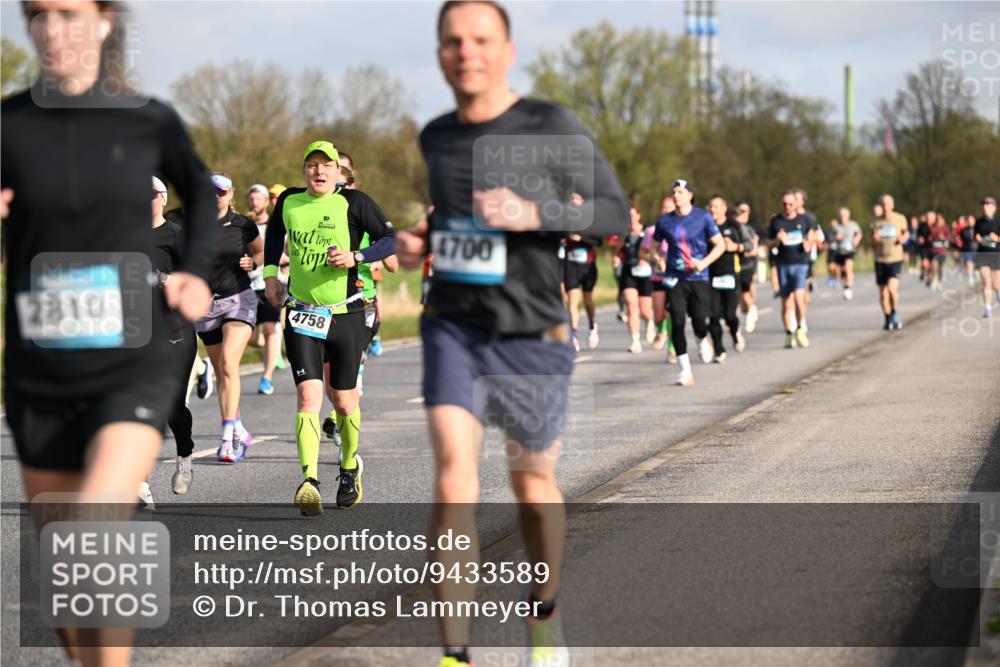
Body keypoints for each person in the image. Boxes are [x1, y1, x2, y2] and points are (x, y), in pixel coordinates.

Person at [393, 3, 629, 665]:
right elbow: (455, 223)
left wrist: (534, 212)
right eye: (453, 41)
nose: (466, 51)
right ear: (440, 55)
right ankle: (455, 654)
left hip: (532, 331)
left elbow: (615, 214)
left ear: (508, 51)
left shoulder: (549, 124)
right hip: (453, 326)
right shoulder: (437, 136)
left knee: (531, 485)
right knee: (454, 482)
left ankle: (544, 607)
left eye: (480, 39)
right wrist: (419, 242)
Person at [2, 2, 215, 665]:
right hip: (40, 368)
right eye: (38, 14)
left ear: (103, 22)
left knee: (97, 523)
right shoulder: (10, 124)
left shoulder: (147, 120)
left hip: (132, 359)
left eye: (68, 13)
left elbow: (201, 194)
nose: (51, 29)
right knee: (69, 588)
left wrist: (193, 271)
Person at [264, 141, 396, 516]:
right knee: (308, 397)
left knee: (343, 401)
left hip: (346, 314)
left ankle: (349, 467)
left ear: (339, 172)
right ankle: (309, 481)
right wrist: (271, 274)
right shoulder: (289, 201)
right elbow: (273, 235)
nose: (319, 171)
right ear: (303, 170)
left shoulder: (355, 203)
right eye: (312, 165)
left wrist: (357, 256)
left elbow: (392, 239)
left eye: (326, 165)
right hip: (301, 313)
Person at [196, 172, 263, 462]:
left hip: (238, 298)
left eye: (221, 192)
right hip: (205, 306)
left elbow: (261, 252)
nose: (216, 197)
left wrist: (253, 262)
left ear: (231, 194)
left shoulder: (243, 224)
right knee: (222, 373)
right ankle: (239, 430)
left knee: (227, 363)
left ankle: (226, 439)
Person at [150, 176, 199, 499]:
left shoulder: (177, 236)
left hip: (175, 328)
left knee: (172, 406)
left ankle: (185, 456)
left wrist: (168, 280)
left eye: (151, 193)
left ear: (163, 198)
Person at [649, 179, 725, 385]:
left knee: (699, 321)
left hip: (698, 277)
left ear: (690, 195)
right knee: (677, 321)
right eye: (674, 192)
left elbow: (720, 245)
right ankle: (685, 370)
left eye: (680, 192)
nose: (676, 196)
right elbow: (653, 248)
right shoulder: (664, 221)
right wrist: (658, 259)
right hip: (675, 278)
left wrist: (704, 262)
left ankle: (701, 338)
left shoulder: (703, 217)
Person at [246, 183, 287, 395]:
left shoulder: (276, 225)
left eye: (258, 199)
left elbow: (288, 251)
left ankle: (266, 378)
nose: (254, 202)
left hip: (270, 283)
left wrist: (280, 259)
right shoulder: (245, 226)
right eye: (251, 199)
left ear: (265, 202)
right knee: (250, 337)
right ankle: (274, 350)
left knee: (271, 330)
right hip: (247, 285)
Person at [768, 190, 818, 348]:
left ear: (796, 204)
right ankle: (789, 333)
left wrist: (808, 244)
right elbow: (768, 244)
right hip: (783, 264)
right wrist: (777, 240)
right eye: (784, 204)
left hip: (800, 263)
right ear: (781, 204)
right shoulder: (776, 221)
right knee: (786, 302)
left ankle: (800, 328)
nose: (787, 207)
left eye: (790, 204)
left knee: (799, 298)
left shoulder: (804, 219)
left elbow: (813, 236)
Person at [706, 195, 744, 362]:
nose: (712, 210)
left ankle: (735, 333)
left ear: (724, 208)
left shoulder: (734, 226)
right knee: (713, 315)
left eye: (716, 206)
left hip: (730, 275)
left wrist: (735, 246)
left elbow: (749, 246)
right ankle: (719, 350)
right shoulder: (705, 226)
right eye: (710, 206)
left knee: (730, 315)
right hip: (710, 276)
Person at [563, 194, 601, 351]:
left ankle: (593, 325)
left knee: (587, 300)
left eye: (577, 199)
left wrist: (581, 238)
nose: (574, 201)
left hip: (587, 266)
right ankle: (573, 336)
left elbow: (598, 241)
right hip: (570, 265)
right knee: (572, 300)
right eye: (571, 199)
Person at [616, 204, 654, 353]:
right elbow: (617, 251)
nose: (630, 219)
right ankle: (635, 341)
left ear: (638, 216)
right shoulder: (624, 234)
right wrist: (616, 258)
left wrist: (647, 258)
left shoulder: (647, 231)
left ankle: (650, 322)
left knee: (644, 309)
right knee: (631, 305)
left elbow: (655, 249)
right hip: (629, 271)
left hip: (645, 273)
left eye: (632, 215)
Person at [869, 194, 909, 330]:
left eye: (888, 205)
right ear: (880, 206)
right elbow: (871, 244)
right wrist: (875, 240)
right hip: (880, 259)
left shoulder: (899, 218)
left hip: (895, 258)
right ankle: (887, 318)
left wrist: (903, 238)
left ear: (892, 205)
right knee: (883, 293)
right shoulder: (875, 222)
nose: (885, 208)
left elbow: (907, 233)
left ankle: (894, 312)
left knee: (892, 288)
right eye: (883, 205)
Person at [733, 201, 760, 331]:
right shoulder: (731, 228)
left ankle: (752, 310)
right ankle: (743, 314)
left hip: (747, 266)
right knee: (738, 297)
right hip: (734, 266)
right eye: (739, 212)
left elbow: (754, 250)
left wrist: (739, 249)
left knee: (745, 293)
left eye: (744, 212)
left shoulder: (749, 230)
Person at [829, 207, 862, 300]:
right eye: (840, 215)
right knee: (840, 272)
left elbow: (859, 233)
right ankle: (845, 286)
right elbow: (830, 237)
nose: (842, 217)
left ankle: (848, 287)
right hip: (839, 251)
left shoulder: (853, 224)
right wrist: (836, 237)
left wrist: (856, 240)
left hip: (849, 250)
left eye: (844, 215)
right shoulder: (836, 226)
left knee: (848, 267)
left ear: (848, 215)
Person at [975, 196, 999, 318]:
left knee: (996, 284)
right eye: (983, 204)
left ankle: (998, 293)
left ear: (994, 207)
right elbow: (975, 235)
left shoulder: (998, 221)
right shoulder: (978, 222)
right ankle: (988, 308)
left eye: (988, 204)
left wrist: (997, 239)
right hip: (983, 255)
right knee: (986, 282)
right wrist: (978, 238)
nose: (985, 207)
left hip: (996, 255)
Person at [927, 210, 952, 291]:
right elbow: (930, 236)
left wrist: (943, 238)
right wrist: (930, 238)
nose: (939, 221)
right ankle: (934, 280)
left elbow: (949, 238)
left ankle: (940, 281)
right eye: (938, 219)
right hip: (934, 250)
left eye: (940, 219)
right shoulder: (933, 227)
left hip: (942, 251)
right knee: (934, 265)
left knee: (940, 267)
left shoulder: (945, 228)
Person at [956, 215, 978, 288]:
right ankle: (970, 279)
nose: (970, 222)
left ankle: (976, 274)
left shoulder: (979, 229)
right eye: (969, 220)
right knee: (969, 263)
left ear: (974, 221)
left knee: (976, 265)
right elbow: (960, 241)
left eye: (972, 220)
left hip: (977, 250)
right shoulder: (963, 231)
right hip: (967, 250)